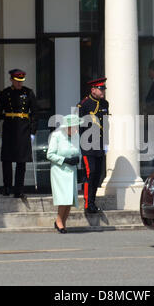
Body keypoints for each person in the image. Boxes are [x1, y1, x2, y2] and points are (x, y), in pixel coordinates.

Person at [0, 69, 38, 198]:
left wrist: (33, 131)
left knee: (21, 161)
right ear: (11, 80)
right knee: (7, 159)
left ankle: (19, 189)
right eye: (17, 81)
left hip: (23, 129)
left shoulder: (28, 93)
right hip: (9, 128)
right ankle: (7, 187)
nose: (19, 84)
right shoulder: (5, 94)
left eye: (21, 81)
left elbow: (34, 114)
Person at [77, 77, 109, 214]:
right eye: (100, 89)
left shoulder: (105, 104)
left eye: (103, 89)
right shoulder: (84, 104)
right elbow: (80, 126)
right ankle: (87, 203)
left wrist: (106, 142)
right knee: (90, 173)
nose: (103, 91)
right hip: (88, 144)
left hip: (100, 144)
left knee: (98, 175)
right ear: (93, 89)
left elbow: (105, 124)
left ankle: (93, 201)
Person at [46, 114, 82, 233]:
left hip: (71, 171)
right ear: (67, 127)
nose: (76, 129)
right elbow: (50, 155)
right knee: (63, 199)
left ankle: (62, 222)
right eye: (74, 126)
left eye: (77, 126)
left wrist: (78, 159)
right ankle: (59, 221)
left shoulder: (76, 136)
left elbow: (79, 152)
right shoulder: (56, 136)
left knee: (70, 199)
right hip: (59, 171)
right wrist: (64, 160)